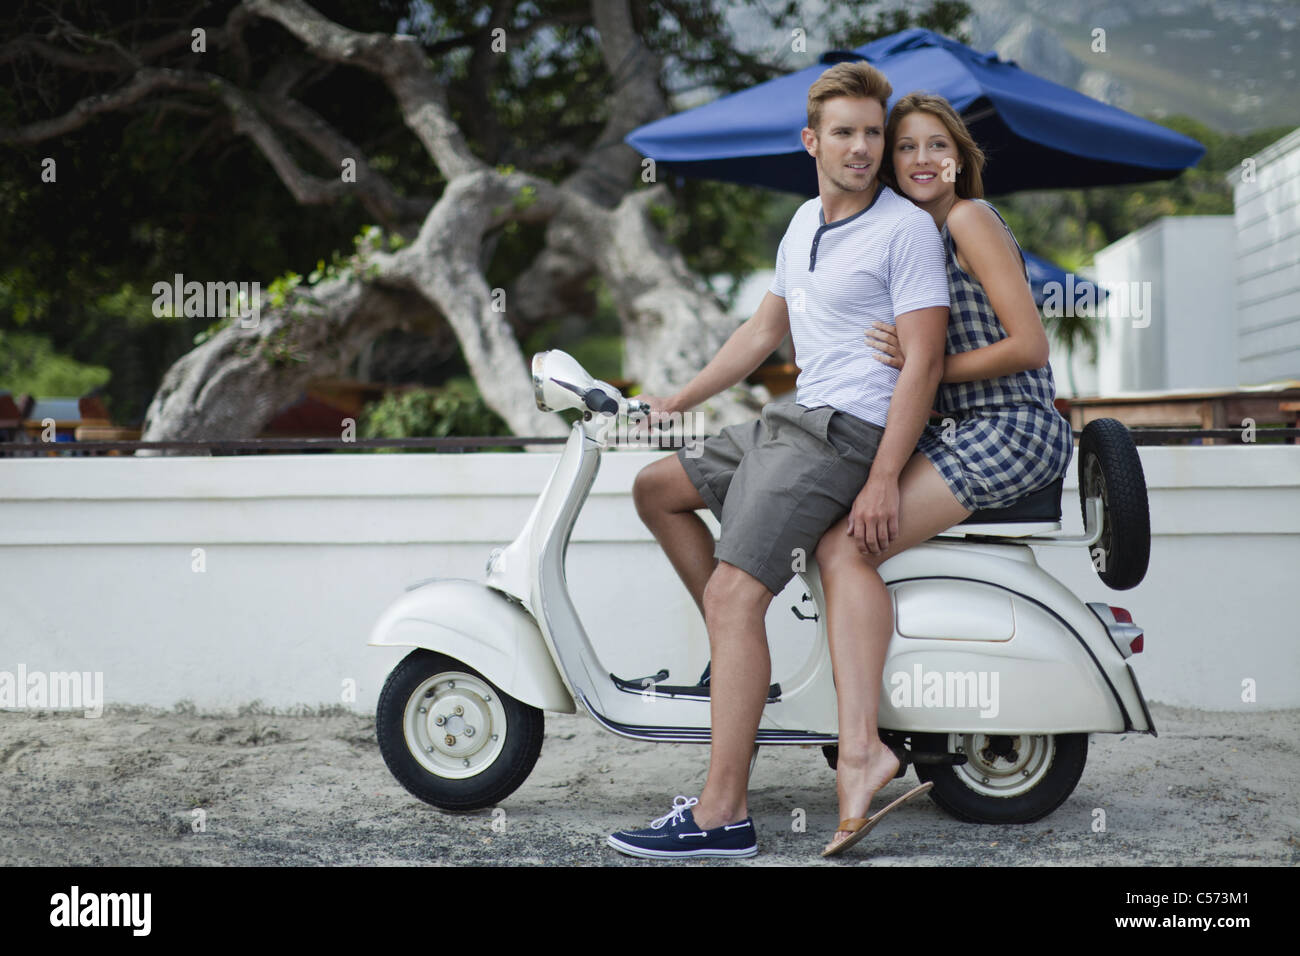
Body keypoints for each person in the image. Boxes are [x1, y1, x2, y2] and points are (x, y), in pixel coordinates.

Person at [605, 62, 951, 860]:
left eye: (873, 132)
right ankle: (741, 663)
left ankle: (722, 814)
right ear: (812, 141)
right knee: (657, 488)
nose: (863, 147)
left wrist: (879, 479)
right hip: (788, 419)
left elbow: (924, 367)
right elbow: (762, 335)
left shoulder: (904, 231)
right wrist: (677, 401)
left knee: (735, 595)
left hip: (844, 434)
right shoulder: (804, 223)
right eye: (845, 133)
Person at [814, 91, 1074, 856]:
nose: (923, 160)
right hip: (959, 427)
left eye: (938, 147)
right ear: (889, 164)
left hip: (1010, 427)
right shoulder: (908, 236)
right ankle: (883, 716)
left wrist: (927, 367)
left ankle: (864, 750)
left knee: (847, 547)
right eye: (907, 149)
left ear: (960, 159)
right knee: (836, 530)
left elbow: (1030, 346)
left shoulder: (969, 220)